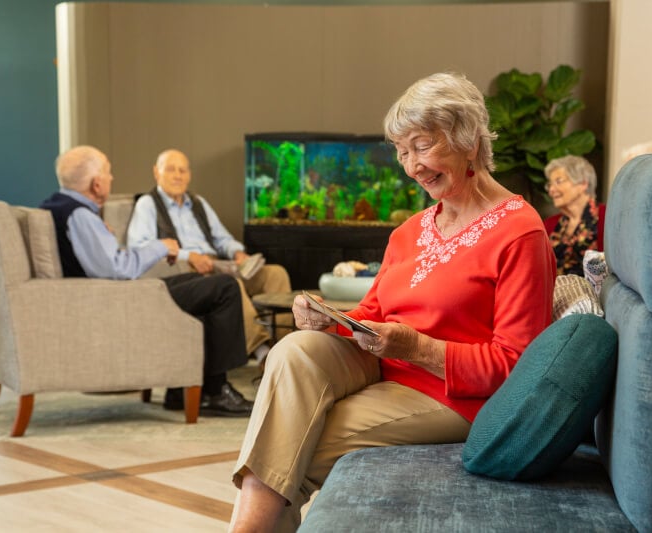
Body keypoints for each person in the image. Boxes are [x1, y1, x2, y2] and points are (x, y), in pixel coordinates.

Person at [227, 72, 557, 532]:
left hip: (452, 397)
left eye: (421, 146)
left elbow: (518, 364)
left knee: (290, 448)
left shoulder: (519, 232)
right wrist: (328, 318)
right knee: (292, 350)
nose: (411, 166)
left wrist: (418, 349)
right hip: (380, 366)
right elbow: (373, 315)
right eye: (402, 152)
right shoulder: (410, 231)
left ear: (467, 138)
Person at [40, 145, 253, 417]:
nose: (111, 178)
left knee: (197, 282)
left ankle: (181, 389)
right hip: (123, 299)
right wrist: (162, 246)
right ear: (95, 184)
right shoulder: (80, 215)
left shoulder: (62, 207)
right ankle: (215, 390)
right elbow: (120, 269)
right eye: (108, 173)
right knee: (223, 287)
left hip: (119, 293)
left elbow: (107, 261)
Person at [126, 149, 292, 363]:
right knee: (230, 284)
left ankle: (286, 350)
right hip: (188, 271)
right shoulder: (147, 204)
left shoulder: (198, 202)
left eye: (182, 170)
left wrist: (238, 252)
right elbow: (140, 246)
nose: (177, 175)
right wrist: (189, 256)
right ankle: (263, 354)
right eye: (170, 169)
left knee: (275, 274)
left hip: (219, 263)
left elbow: (222, 238)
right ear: (156, 172)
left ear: (189, 174)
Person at [543, 155, 605, 277]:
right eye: (550, 184)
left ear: (583, 184)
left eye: (558, 181)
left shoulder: (607, 217)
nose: (551, 190)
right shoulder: (548, 225)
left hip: (596, 294)